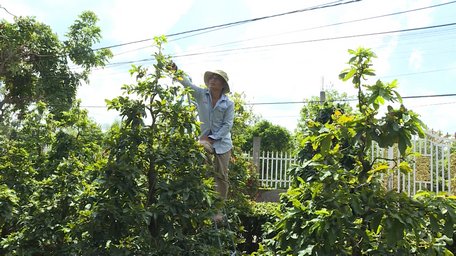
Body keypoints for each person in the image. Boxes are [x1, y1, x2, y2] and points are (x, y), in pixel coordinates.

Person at [169, 62, 234, 206]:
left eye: (216, 78)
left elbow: (227, 125)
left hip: (222, 143)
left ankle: (218, 207)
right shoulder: (200, 94)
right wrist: (176, 71)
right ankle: (202, 201)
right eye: (211, 77)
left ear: (223, 84)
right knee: (202, 164)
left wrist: (212, 138)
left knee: (222, 176)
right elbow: (187, 84)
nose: (212, 80)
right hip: (204, 141)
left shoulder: (228, 104)